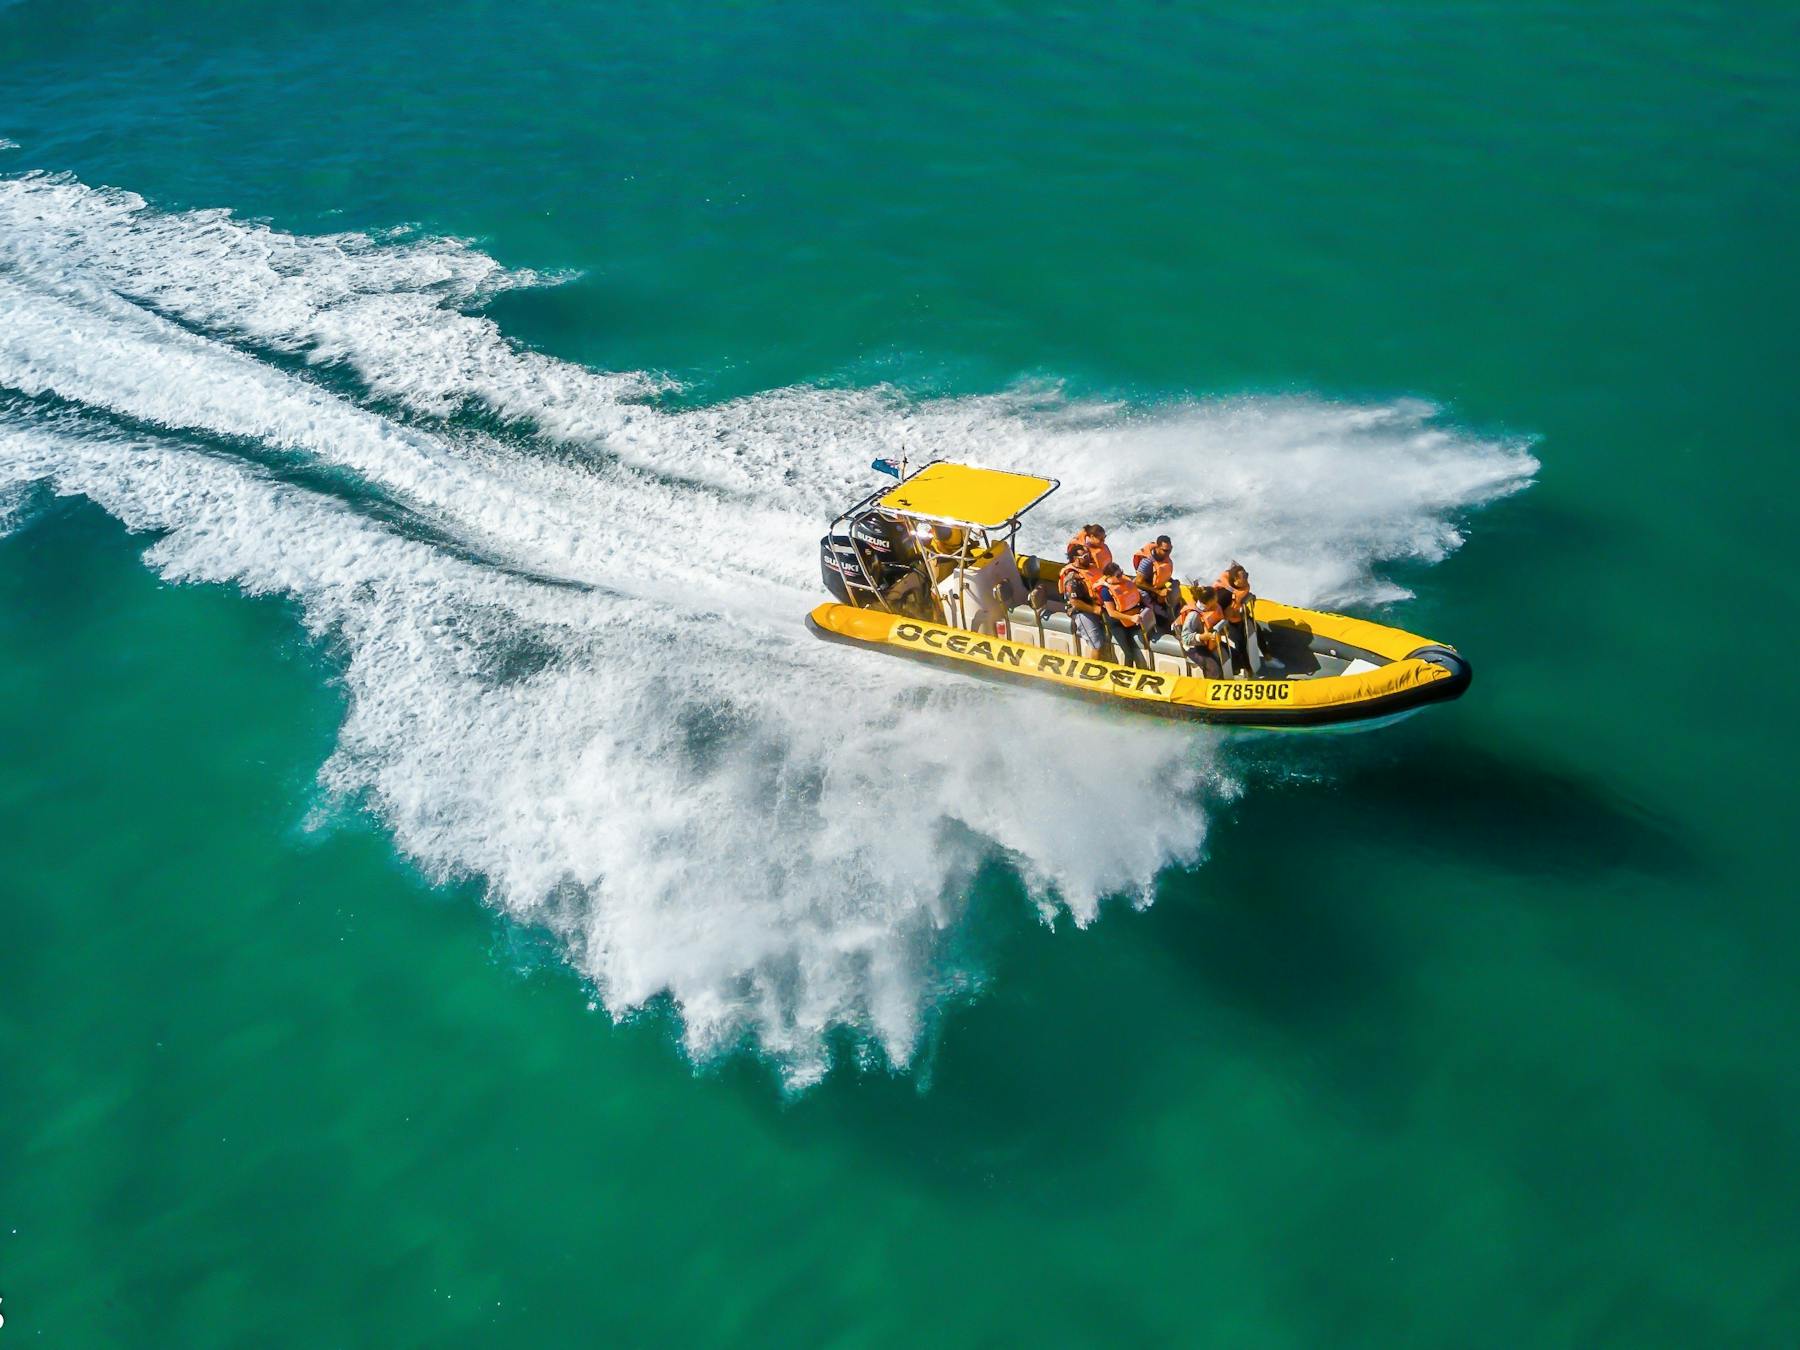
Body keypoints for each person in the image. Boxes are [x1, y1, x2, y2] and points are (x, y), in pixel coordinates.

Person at [1097, 561, 1153, 670]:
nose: (1121, 577)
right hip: (1117, 623)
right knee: (1129, 653)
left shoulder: (1125, 581)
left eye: (1121, 573)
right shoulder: (1106, 591)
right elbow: (1111, 613)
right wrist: (1131, 618)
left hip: (1133, 617)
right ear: (1109, 577)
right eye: (1118, 575)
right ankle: (1127, 675)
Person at [1058, 542, 1108, 659]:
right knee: (1097, 644)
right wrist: (1094, 609)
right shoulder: (1071, 578)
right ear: (1076, 559)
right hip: (1082, 610)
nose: (1089, 558)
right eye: (1085, 557)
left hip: (1099, 605)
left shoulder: (1092, 568)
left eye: (1088, 555)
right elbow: (1075, 602)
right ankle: (1093, 668)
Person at [1176, 583, 1226, 678]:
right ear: (1211, 600)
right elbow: (1185, 638)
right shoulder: (1193, 616)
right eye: (1216, 596)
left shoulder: (1211, 608)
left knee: (1229, 654)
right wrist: (1203, 636)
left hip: (1209, 642)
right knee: (1213, 667)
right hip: (1193, 647)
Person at [1131, 534, 1178, 635]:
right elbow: (1138, 582)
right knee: (1162, 616)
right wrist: (1158, 592)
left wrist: (1172, 581)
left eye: (1170, 550)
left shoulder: (1165, 558)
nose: (1168, 553)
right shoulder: (1147, 562)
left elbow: (1160, 574)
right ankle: (1163, 633)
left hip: (1159, 591)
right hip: (1148, 593)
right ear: (1157, 547)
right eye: (1165, 550)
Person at [1214, 561, 1254, 676]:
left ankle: (1268, 658)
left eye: (1247, 574)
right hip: (1223, 622)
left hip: (1235, 617)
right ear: (1236, 580)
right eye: (1244, 576)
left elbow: (1240, 598)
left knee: (1254, 629)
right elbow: (1220, 612)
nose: (1247, 577)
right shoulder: (1225, 594)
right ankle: (1247, 669)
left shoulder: (1241, 588)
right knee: (1240, 642)